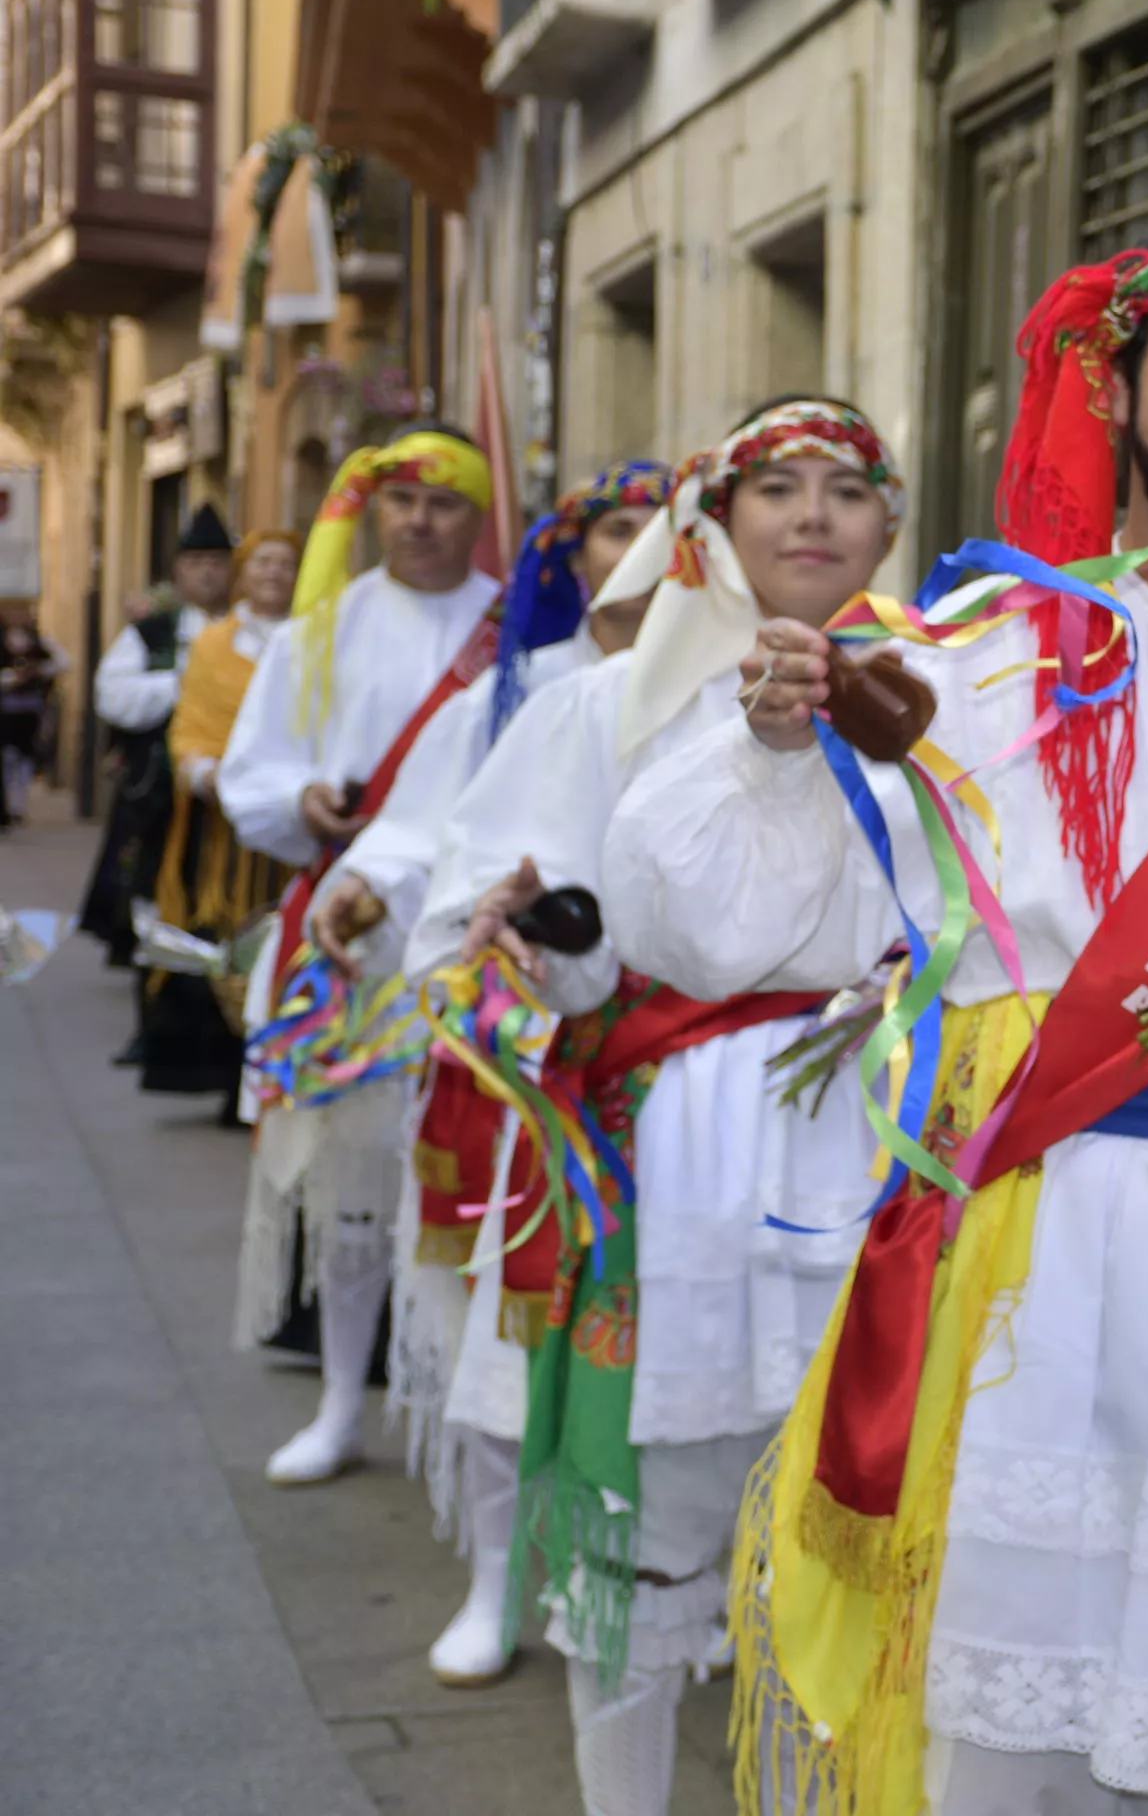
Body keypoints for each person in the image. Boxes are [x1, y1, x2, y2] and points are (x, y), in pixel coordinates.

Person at [600, 214, 1148, 1816]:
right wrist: (776, 745)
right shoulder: (975, 654)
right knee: (1005, 1752)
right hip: (1041, 1281)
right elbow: (710, 922)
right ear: (1114, 392)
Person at [407, 400, 902, 1815]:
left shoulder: (956, 692)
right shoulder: (600, 704)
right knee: (653, 1525)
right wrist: (543, 942)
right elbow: (482, 923)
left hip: (884, 1142)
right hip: (671, 1157)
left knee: (841, 1529)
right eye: (780, 486)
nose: (816, 513)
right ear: (717, 520)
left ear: (889, 523)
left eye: (851, 489)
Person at [297, 462, 665, 1686]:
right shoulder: (514, 694)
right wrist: (381, 892)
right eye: (622, 523)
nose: (647, 545)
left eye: (671, 524)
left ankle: (664, 1583)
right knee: (497, 1341)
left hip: (678, 1073)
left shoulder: (740, 689)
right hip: (522, 1070)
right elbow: (419, 841)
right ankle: (495, 1573)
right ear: (574, 551)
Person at [219, 424, 500, 1487]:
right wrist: (298, 799)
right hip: (352, 931)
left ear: (479, 516)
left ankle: (458, 1415)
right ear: (374, 510)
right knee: (350, 1183)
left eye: (445, 503)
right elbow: (256, 765)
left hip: (479, 939)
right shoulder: (320, 631)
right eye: (404, 501)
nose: (421, 521)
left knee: (464, 1179)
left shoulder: (516, 629)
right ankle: (341, 1400)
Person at [141, 529, 303, 1102]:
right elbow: (189, 725)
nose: (274, 574)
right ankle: (221, 1073)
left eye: (286, 564)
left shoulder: (314, 643)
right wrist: (206, 771)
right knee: (226, 936)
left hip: (294, 825)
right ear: (244, 572)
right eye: (263, 563)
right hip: (225, 829)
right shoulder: (213, 646)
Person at [81, 503, 237, 1042]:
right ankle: (154, 1025)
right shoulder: (152, 633)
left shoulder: (250, 630)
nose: (209, 573)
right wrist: (186, 682)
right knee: (154, 904)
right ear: (180, 571)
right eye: (198, 562)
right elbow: (114, 697)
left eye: (219, 561)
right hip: (160, 798)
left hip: (226, 801)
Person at [0, 600, 65, 827]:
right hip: (6, 710)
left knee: (25, 757)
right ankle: (9, 805)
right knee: (8, 758)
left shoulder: (40, 642)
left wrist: (37, 671)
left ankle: (18, 805)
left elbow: (62, 662)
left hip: (30, 710)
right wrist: (10, 678)